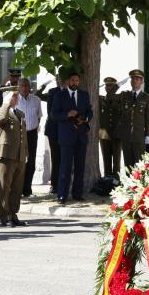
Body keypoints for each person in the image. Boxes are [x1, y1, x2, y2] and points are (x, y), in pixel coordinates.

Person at [51, 71, 93, 203]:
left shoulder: (84, 95)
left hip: (81, 136)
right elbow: (53, 115)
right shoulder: (60, 95)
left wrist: (85, 118)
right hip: (66, 137)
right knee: (65, 166)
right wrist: (67, 114)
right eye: (73, 80)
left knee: (80, 166)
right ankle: (62, 194)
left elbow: (89, 112)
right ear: (68, 81)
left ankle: (77, 193)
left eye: (77, 80)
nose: (75, 82)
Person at [0, 85, 27, 227]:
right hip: (6, 155)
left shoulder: (19, 113)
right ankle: (5, 215)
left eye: (17, 95)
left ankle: (13, 213)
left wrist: (25, 152)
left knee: (17, 187)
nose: (17, 98)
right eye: (13, 96)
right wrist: (6, 104)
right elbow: (0, 121)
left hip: (19, 155)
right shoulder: (0, 111)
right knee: (5, 186)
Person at [118, 69, 149, 170]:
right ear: (130, 81)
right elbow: (111, 94)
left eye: (138, 79)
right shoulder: (124, 96)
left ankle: (139, 186)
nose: (135, 81)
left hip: (139, 136)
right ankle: (128, 185)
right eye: (133, 79)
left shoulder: (146, 98)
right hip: (126, 136)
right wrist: (118, 85)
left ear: (142, 82)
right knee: (128, 166)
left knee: (140, 165)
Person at [15, 78, 42, 196]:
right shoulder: (14, 100)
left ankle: (27, 189)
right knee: (19, 162)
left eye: (27, 85)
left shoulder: (36, 100)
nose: (25, 88)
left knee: (31, 162)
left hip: (31, 134)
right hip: (19, 134)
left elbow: (39, 116)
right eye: (22, 86)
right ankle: (18, 189)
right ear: (18, 87)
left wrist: (34, 127)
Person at [38, 75, 64, 193]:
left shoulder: (69, 91)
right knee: (55, 157)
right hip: (53, 128)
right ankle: (54, 184)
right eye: (58, 79)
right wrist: (43, 85)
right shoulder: (53, 92)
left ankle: (63, 182)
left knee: (65, 157)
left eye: (62, 79)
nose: (60, 81)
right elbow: (38, 94)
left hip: (65, 129)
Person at [98, 77, 121, 176]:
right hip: (103, 132)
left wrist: (113, 92)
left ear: (115, 86)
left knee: (116, 159)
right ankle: (107, 178)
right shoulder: (100, 99)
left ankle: (116, 179)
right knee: (106, 157)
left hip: (116, 131)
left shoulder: (119, 98)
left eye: (111, 85)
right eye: (107, 85)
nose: (108, 87)